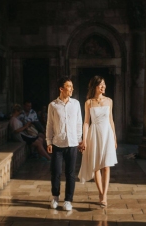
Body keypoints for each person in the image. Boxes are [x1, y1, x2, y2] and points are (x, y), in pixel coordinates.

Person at [78, 76, 117, 208]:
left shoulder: (109, 101)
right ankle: (100, 193)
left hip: (107, 134)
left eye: (104, 85)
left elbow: (111, 120)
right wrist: (84, 139)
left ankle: (104, 195)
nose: (103, 87)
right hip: (94, 133)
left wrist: (114, 137)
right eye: (101, 85)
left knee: (106, 166)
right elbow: (86, 122)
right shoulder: (89, 102)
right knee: (96, 166)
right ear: (95, 86)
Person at [46, 77, 83, 211]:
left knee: (70, 173)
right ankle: (55, 196)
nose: (72, 89)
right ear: (61, 89)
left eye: (72, 86)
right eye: (69, 86)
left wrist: (80, 140)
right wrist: (49, 141)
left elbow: (79, 123)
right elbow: (49, 124)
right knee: (55, 172)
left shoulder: (76, 104)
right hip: (57, 143)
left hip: (72, 143)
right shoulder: (53, 105)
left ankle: (68, 200)